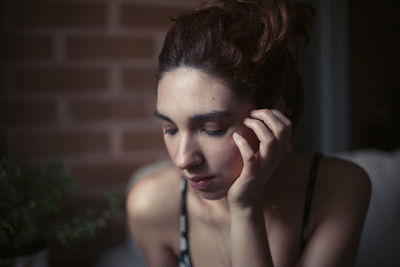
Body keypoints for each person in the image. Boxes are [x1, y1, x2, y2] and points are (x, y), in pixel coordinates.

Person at [126, 0, 371, 266]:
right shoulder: (152, 205)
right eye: (170, 128)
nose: (183, 160)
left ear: (271, 115)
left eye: (212, 129)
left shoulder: (340, 188)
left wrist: (245, 209)